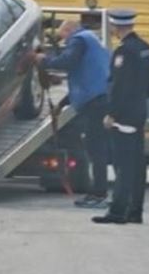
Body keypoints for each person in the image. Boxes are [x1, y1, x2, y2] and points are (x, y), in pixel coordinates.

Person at [93, 9, 149, 224]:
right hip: (138, 112)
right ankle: (135, 211)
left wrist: (112, 113)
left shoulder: (124, 52)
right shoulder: (144, 47)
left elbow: (120, 87)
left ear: (116, 27)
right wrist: (142, 91)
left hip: (123, 116)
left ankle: (117, 212)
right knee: (136, 165)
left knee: (123, 165)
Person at [34, 18, 111, 207]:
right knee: (95, 148)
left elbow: (67, 62)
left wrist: (44, 60)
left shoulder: (79, 40)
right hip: (99, 98)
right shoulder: (90, 40)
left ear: (69, 30)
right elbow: (83, 76)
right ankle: (97, 192)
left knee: (95, 149)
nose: (64, 43)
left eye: (63, 38)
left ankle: (99, 194)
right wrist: (62, 104)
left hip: (96, 101)